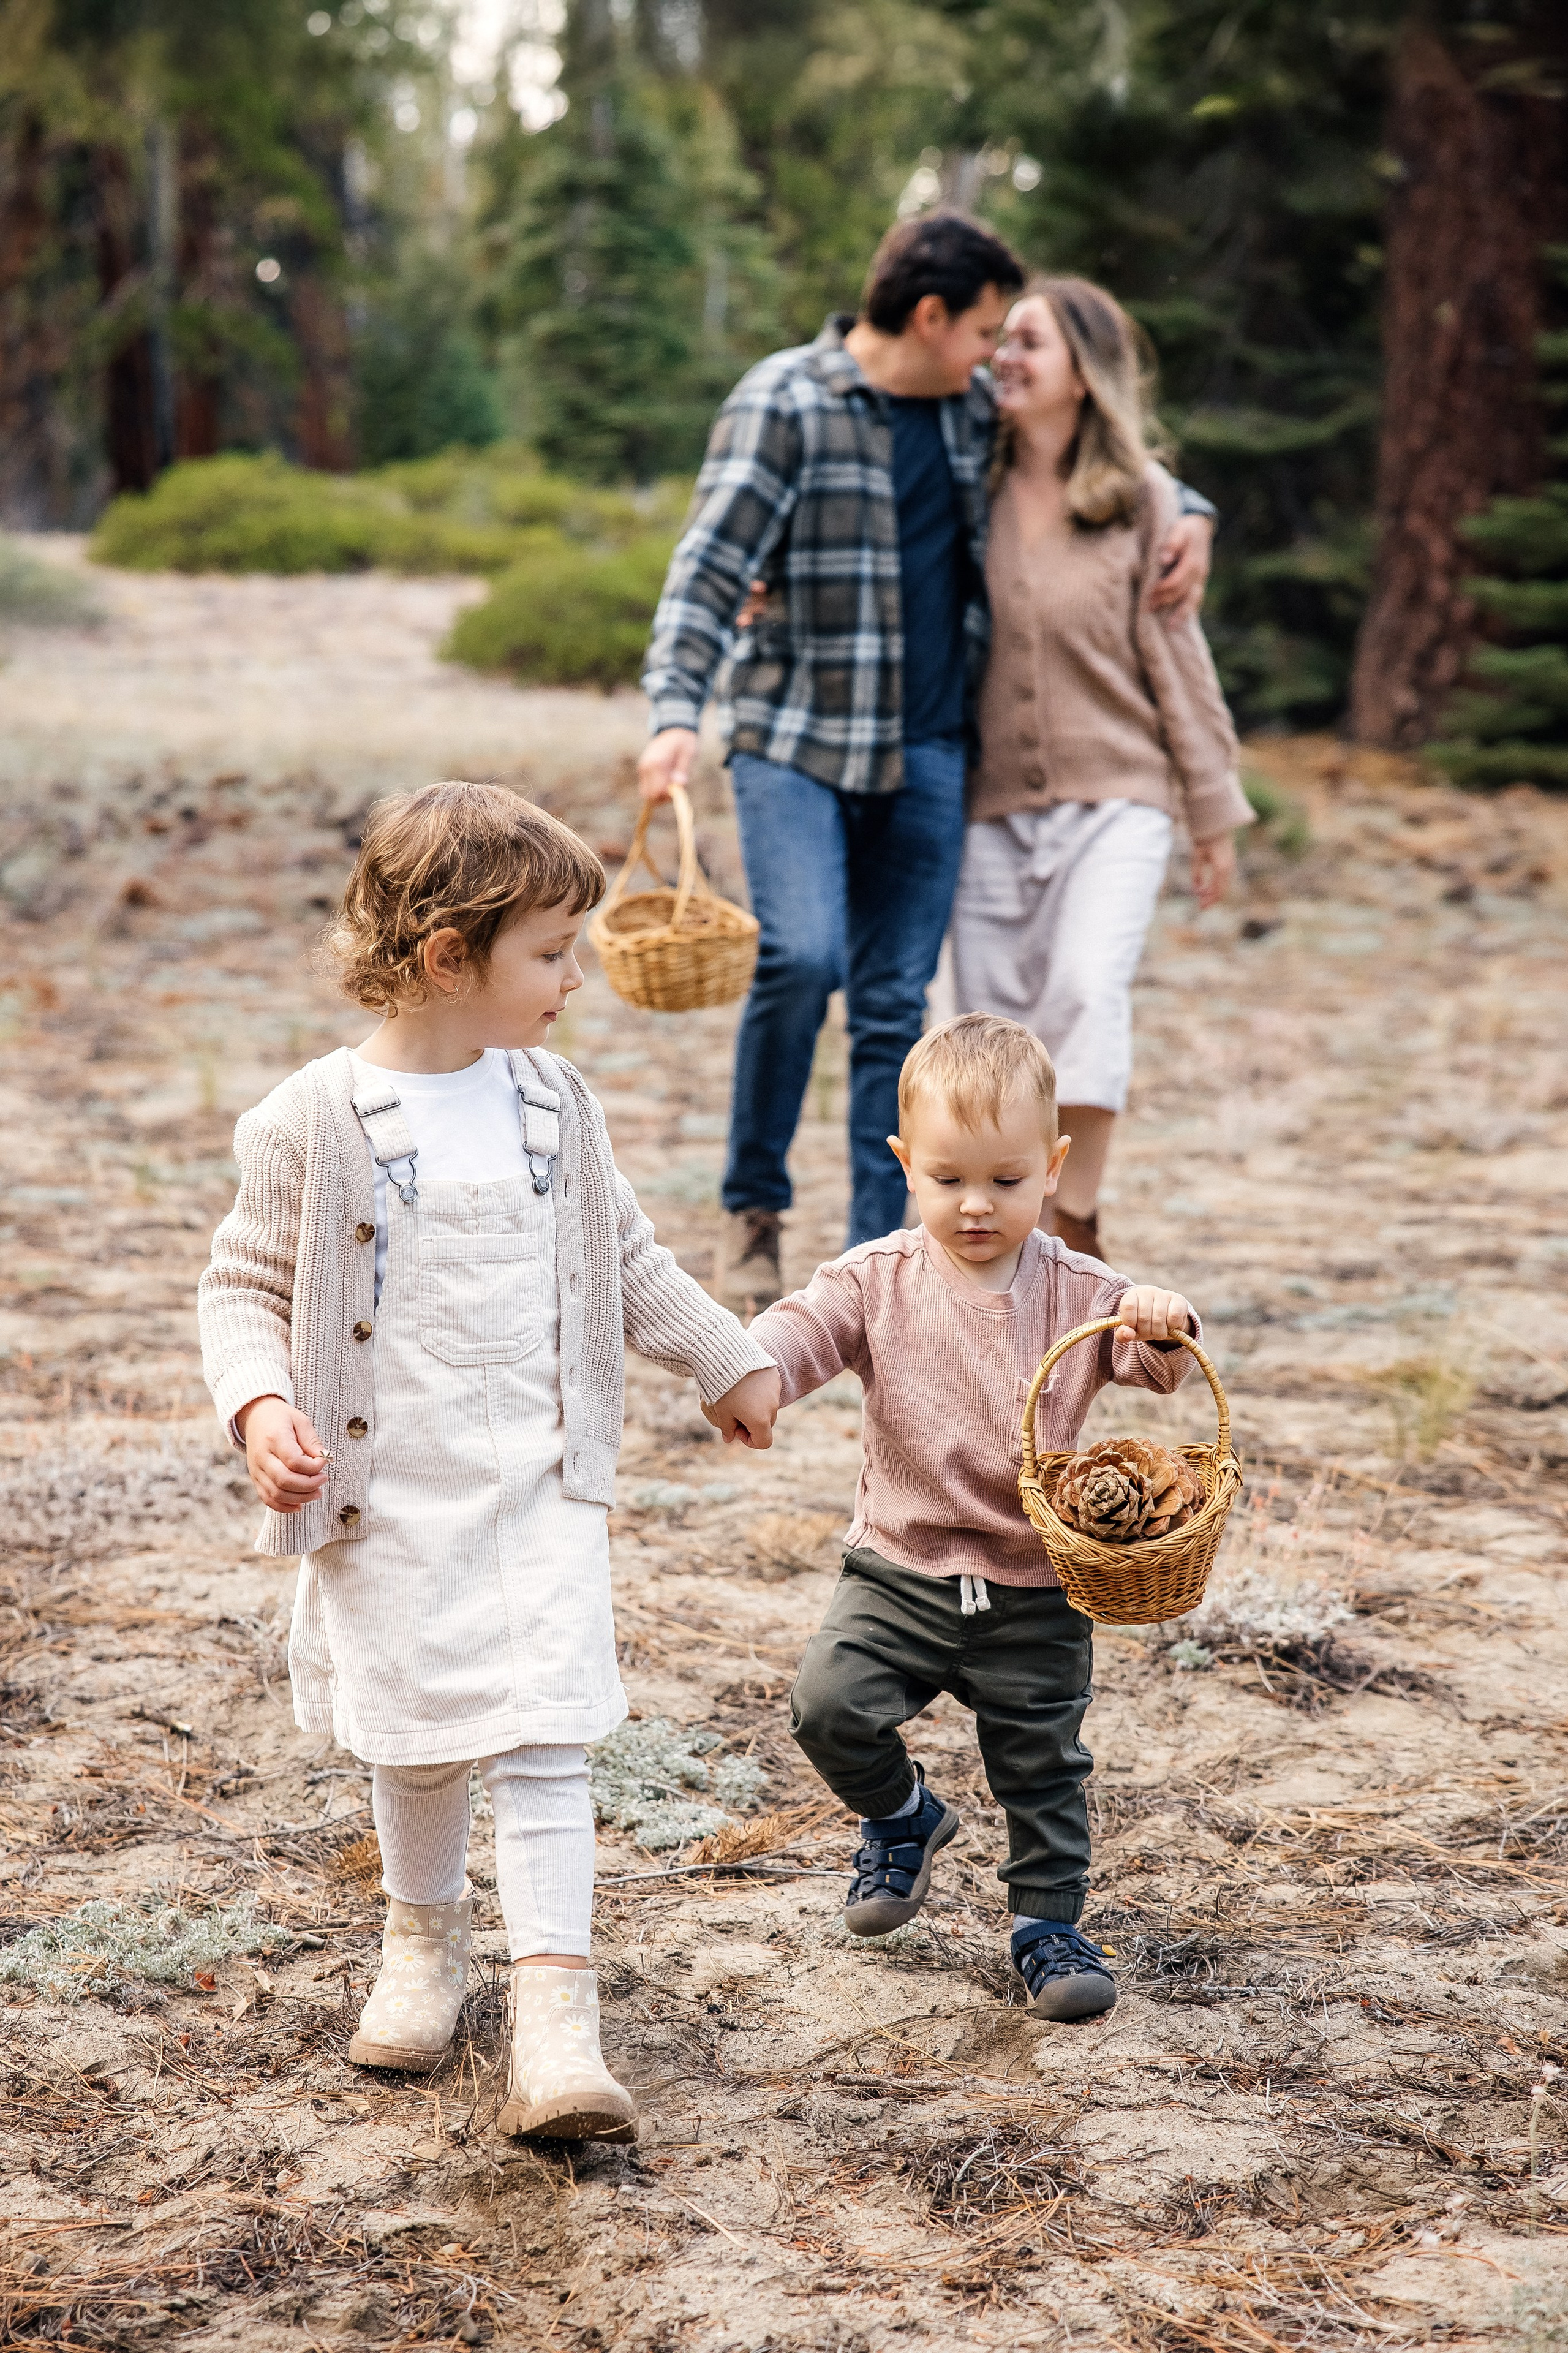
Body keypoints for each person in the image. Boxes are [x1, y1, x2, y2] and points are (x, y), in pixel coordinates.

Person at [197, 781, 778, 2140]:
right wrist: (260, 1403)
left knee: (541, 1736)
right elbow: (240, 1285)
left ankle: (558, 2024)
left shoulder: (553, 1104)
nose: (574, 979)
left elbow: (627, 1258)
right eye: (549, 952)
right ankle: (424, 1943)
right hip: (390, 1495)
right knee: (414, 1733)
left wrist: (721, 1354)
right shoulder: (312, 1119)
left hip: (539, 1485)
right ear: (449, 955)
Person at [638, 212, 1216, 1313]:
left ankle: (875, 1262)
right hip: (796, 738)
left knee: (897, 1002)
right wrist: (675, 710)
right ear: (930, 314)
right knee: (804, 959)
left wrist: (1192, 508)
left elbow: (1089, 457)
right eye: (987, 330)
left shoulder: (970, 418)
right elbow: (709, 566)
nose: (999, 356)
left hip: (932, 753)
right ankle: (753, 1207)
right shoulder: (787, 399)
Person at [745, 1013, 1204, 2021]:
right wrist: (756, 1370)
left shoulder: (1080, 1291)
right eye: (948, 1178)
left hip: (1037, 1584)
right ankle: (903, 1818)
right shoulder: (876, 1280)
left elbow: (1150, 1359)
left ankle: (1048, 1925)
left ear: (1053, 1165)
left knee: (1043, 1765)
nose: (976, 1204)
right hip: (898, 1570)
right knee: (828, 1704)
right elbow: (802, 1327)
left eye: (1006, 1179)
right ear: (906, 1162)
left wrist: (1164, 1319)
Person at [951, 276, 1254, 1259]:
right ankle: (1005, 1234)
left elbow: (1180, 659)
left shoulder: (1144, 501)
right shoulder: (969, 481)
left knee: (1086, 986)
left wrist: (1211, 812)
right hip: (985, 805)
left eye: (1030, 342)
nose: (1008, 357)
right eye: (1002, 341)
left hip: (1119, 797)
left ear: (1085, 372)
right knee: (988, 1029)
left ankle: (1074, 1217)